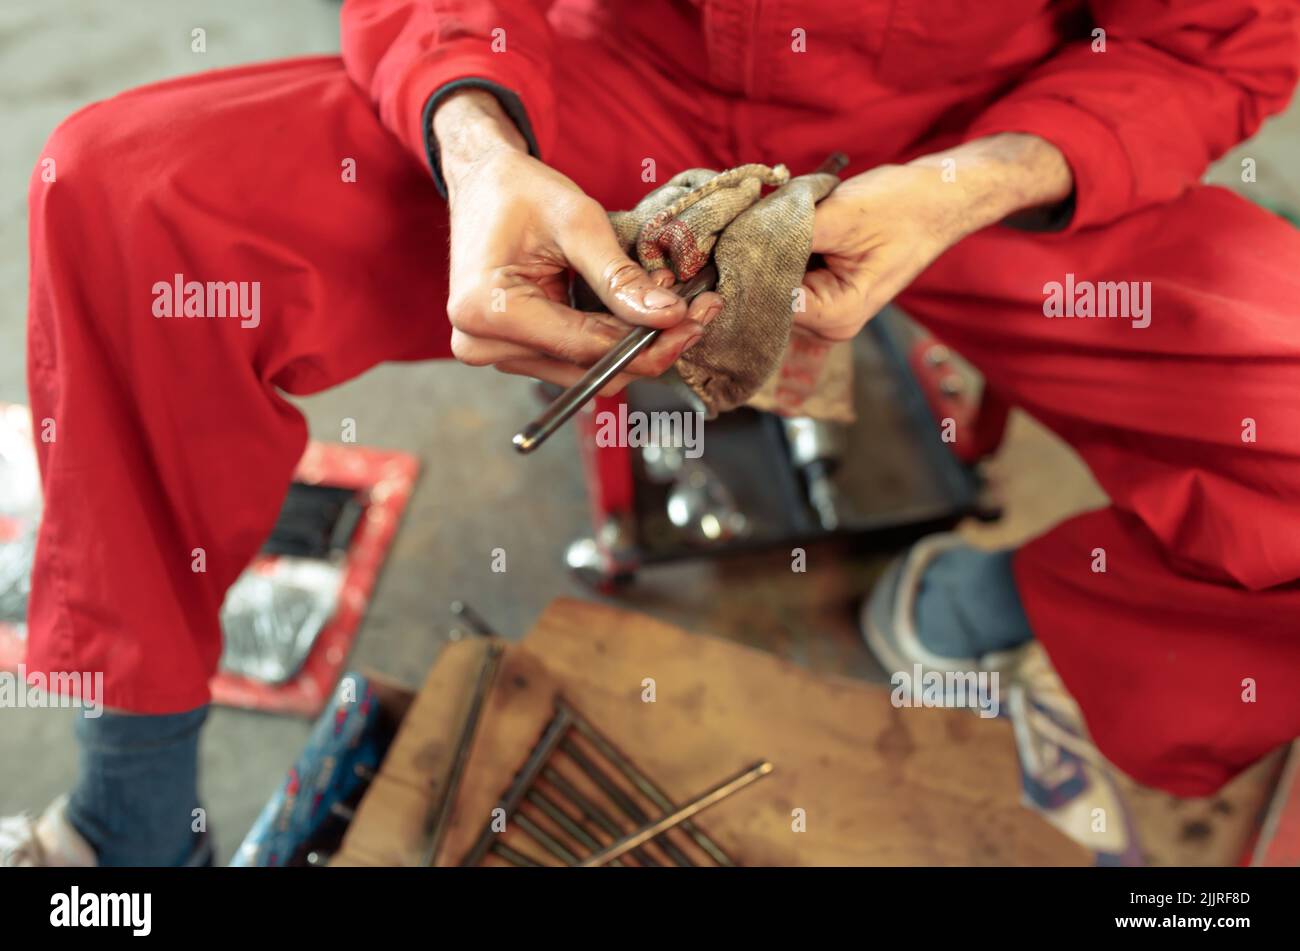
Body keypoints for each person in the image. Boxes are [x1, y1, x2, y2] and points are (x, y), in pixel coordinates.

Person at [4, 0, 1299, 866]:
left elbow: (1216, 40)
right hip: (604, 94)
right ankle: (131, 806)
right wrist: (474, 139)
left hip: (964, 146)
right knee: (129, 199)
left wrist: (974, 183)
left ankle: (979, 611)